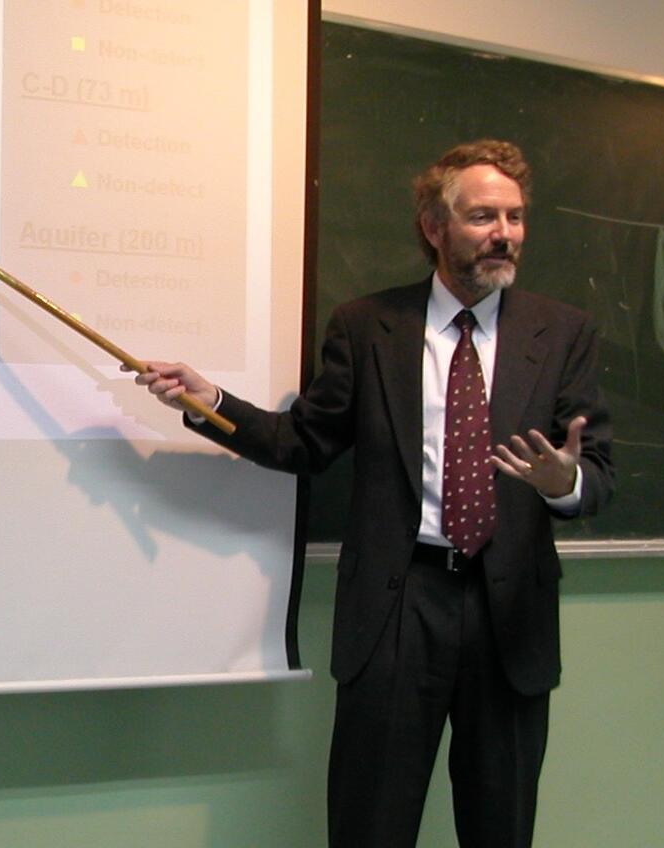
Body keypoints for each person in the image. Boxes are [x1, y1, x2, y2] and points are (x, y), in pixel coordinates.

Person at [131, 139, 614, 847]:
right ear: (434, 225)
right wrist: (211, 401)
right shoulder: (367, 327)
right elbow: (305, 441)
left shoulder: (562, 331)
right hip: (398, 605)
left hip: (508, 613)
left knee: (501, 826)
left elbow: (597, 472)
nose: (504, 233)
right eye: (483, 216)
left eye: (514, 216)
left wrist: (561, 481)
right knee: (370, 824)